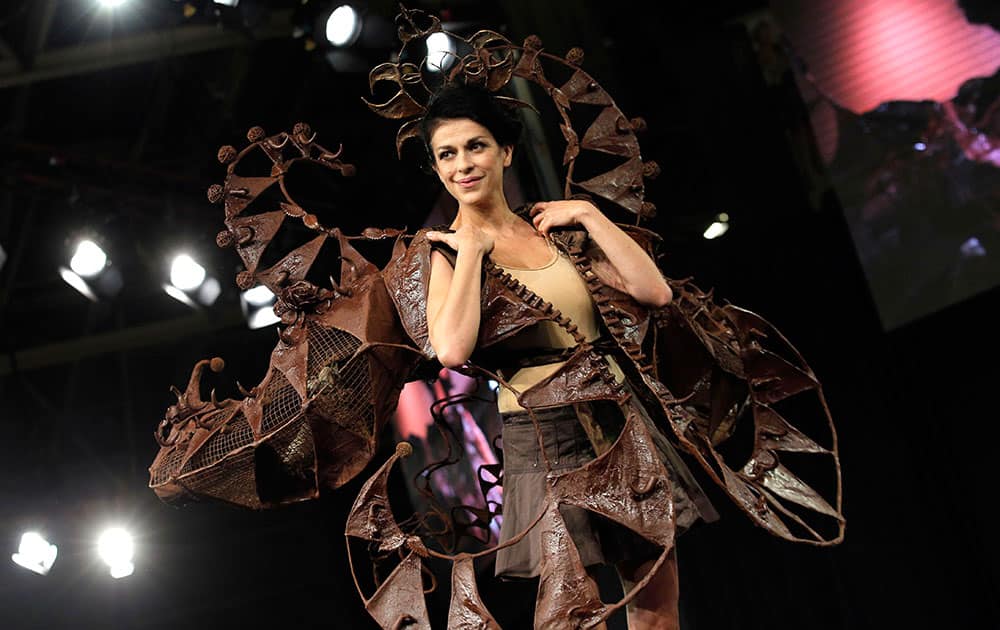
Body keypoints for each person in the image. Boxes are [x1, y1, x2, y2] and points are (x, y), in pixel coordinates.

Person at [418, 82, 718, 630]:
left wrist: (587, 214)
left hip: (613, 417)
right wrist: (471, 255)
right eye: (448, 153)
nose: (463, 163)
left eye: (476, 146)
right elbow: (452, 350)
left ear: (505, 152)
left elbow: (654, 292)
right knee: (575, 616)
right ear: (437, 168)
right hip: (544, 432)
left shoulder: (549, 225)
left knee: (656, 608)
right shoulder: (443, 250)